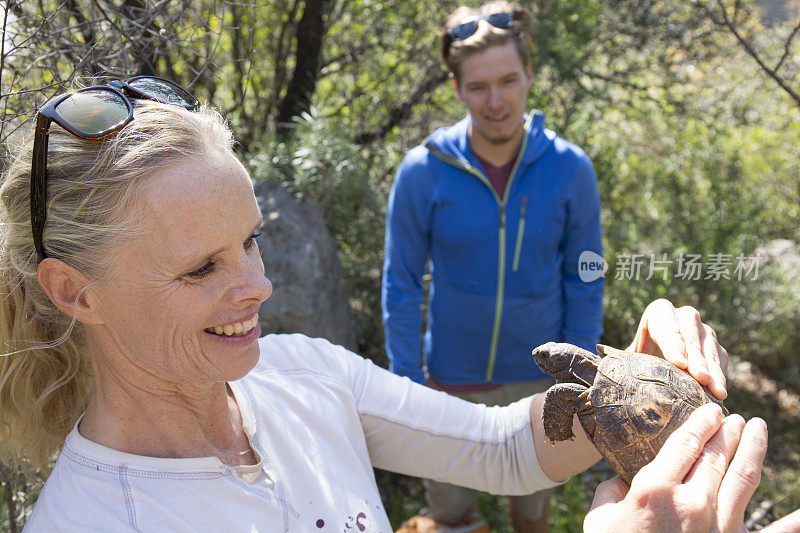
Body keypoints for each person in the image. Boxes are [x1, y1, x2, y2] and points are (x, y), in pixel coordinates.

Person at [0, 77, 794, 533]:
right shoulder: (92, 520)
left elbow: (501, 448)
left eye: (250, 241)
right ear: (76, 292)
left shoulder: (302, 374)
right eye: (201, 267)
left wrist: (626, 389)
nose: (257, 285)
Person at [381, 2, 603, 530]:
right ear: (457, 88)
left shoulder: (570, 169)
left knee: (532, 516)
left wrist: (575, 375)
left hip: (540, 387)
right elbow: (402, 282)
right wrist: (407, 387)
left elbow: (587, 275)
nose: (496, 101)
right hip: (450, 386)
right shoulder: (423, 171)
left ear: (528, 75)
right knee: (454, 518)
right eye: (479, 87)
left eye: (508, 80)